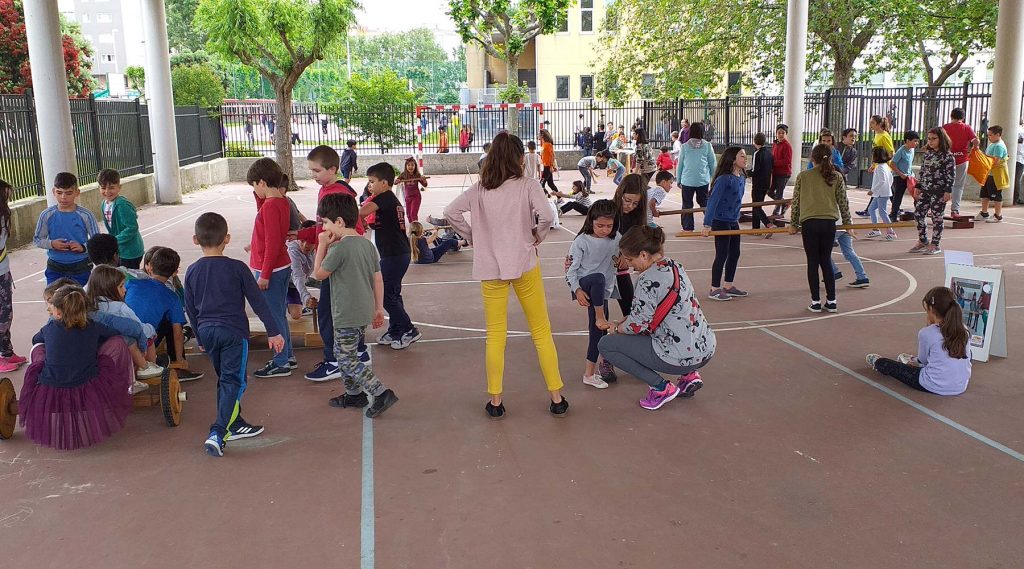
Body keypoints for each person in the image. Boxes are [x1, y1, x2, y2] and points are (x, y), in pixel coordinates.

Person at [444, 131, 568, 420]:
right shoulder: (527, 185)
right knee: (541, 331)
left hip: (491, 269)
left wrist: (473, 236)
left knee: (495, 335)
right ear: (518, 158)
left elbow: (451, 212)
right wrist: (537, 235)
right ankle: (556, 397)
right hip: (524, 263)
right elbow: (547, 217)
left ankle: (496, 400)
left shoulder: (479, 190)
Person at [185, 212, 285, 456]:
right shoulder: (238, 268)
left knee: (225, 379)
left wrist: (199, 337)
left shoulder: (191, 271)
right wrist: (274, 331)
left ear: (195, 240)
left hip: (207, 332)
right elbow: (259, 302)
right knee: (234, 381)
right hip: (233, 333)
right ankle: (218, 431)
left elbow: (190, 308)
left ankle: (236, 422)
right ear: (227, 238)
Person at [598, 226, 715, 410]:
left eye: (629, 259)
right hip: (705, 348)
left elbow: (637, 326)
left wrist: (615, 328)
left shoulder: (647, 280)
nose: (629, 264)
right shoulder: (675, 266)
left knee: (606, 345)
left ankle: (660, 387)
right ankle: (689, 376)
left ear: (643, 255)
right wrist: (630, 319)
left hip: (677, 356)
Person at [313, 193, 400, 418]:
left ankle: (380, 392)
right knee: (345, 352)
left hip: (346, 313)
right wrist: (379, 308)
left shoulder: (338, 249)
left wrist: (322, 244)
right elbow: (377, 279)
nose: (324, 227)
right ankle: (354, 394)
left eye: (326, 222)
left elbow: (318, 274)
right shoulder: (367, 245)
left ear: (339, 222)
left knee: (345, 357)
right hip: (362, 311)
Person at [18, 284, 134, 450]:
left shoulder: (49, 328)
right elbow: (113, 333)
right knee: (117, 343)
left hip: (51, 387)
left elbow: (36, 339)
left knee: (38, 349)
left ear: (57, 312)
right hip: (88, 384)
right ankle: (128, 385)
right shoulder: (93, 326)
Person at [298, 145, 367, 381]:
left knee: (329, 311)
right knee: (347, 308)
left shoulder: (333, 193)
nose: (313, 175)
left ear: (332, 169)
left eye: (316, 171)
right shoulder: (332, 189)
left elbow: (334, 230)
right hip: (340, 256)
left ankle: (334, 360)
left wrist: (310, 239)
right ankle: (359, 350)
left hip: (336, 259)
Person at [866, 287, 971, 396]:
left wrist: (914, 361)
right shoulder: (964, 329)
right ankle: (908, 360)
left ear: (931, 308)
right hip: (960, 386)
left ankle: (878, 362)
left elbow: (923, 361)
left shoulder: (927, 333)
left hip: (933, 385)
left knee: (891, 366)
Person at [359, 162, 420, 350]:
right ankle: (396, 329)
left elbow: (360, 212)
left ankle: (409, 329)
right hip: (394, 253)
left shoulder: (385, 197)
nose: (370, 185)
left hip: (395, 254)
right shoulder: (387, 200)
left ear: (384, 183)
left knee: (385, 294)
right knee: (392, 293)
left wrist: (343, 207)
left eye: (372, 181)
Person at [245, 158, 295, 379]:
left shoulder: (270, 207)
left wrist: (264, 274)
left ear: (262, 182)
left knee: (273, 317)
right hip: (278, 267)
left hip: (271, 271)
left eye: (255, 185)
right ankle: (287, 355)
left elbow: (274, 243)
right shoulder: (279, 201)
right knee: (278, 314)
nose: (255, 191)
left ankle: (281, 361)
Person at [789, 143, 853, 314]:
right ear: (831, 158)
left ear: (812, 158)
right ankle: (832, 301)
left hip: (809, 223)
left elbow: (796, 202)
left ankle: (815, 301)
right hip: (829, 223)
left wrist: (793, 224)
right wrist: (848, 223)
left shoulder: (803, 176)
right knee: (825, 260)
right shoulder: (837, 177)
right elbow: (843, 202)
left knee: (812, 261)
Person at [564, 199, 620, 389]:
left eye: (609, 226)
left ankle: (589, 374)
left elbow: (628, 255)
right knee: (597, 278)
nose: (604, 229)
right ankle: (599, 316)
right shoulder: (582, 241)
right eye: (599, 225)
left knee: (598, 332)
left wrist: (626, 261)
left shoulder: (616, 238)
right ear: (591, 221)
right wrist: (577, 289)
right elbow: (571, 270)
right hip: (586, 285)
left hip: (603, 291)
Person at [125, 246, 203, 381]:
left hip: (122, 337)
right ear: (174, 273)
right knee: (170, 323)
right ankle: (178, 369)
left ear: (150, 267)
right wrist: (180, 360)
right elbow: (177, 333)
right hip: (144, 344)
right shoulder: (172, 297)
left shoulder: (131, 283)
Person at [86, 265, 163, 384]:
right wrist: (151, 330)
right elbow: (137, 327)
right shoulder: (120, 308)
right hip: (124, 348)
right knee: (149, 332)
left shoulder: (88, 307)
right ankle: (147, 367)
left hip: (98, 347)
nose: (125, 289)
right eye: (121, 286)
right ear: (109, 288)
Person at [33, 172, 100, 285]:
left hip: (81, 267)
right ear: (54, 192)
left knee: (80, 300)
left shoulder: (86, 215)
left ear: (77, 193)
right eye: (59, 193)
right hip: (55, 267)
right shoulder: (46, 215)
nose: (63, 197)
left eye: (68, 193)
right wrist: (52, 244)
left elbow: (97, 241)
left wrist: (83, 247)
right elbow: (37, 239)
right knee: (54, 300)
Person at [703, 147, 748, 301]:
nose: (745, 158)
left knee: (735, 253)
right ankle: (714, 288)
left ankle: (728, 286)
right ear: (733, 159)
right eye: (742, 155)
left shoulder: (741, 177)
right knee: (722, 254)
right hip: (720, 220)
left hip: (733, 220)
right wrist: (707, 225)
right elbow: (712, 201)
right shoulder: (724, 179)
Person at [909, 128, 955, 256]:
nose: (930, 141)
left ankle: (935, 244)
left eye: (934, 139)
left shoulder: (947, 156)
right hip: (925, 189)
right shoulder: (928, 154)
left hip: (939, 191)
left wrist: (948, 190)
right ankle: (923, 240)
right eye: (929, 139)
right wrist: (918, 186)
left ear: (941, 139)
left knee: (936, 217)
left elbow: (951, 175)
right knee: (918, 214)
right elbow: (923, 171)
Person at [611, 174, 647, 318]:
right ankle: (598, 340)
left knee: (631, 311)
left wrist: (627, 256)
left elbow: (638, 241)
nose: (630, 206)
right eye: (627, 200)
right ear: (620, 192)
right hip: (599, 270)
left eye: (635, 203)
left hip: (620, 271)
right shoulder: (606, 209)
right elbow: (585, 234)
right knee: (599, 315)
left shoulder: (637, 217)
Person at [0, 179, 26, 373]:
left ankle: (6, 352)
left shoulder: (3, 214)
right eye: (6, 194)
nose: (9, 197)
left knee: (6, 314)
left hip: (3, 271)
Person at [97, 169, 145, 269]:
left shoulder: (122, 205)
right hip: (119, 250)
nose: (107, 191)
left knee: (128, 279)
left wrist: (114, 240)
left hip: (130, 252)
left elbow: (132, 228)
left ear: (119, 187)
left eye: (111, 188)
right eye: (103, 188)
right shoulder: (104, 203)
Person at [676, 122, 717, 231]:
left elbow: (680, 164)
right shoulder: (707, 145)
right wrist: (715, 178)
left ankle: (688, 227)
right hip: (702, 180)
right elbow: (712, 163)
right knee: (704, 202)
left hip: (687, 180)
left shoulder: (684, 146)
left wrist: (678, 179)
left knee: (687, 204)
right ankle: (711, 223)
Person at [942, 108, 976, 216]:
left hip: (946, 159)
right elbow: (976, 141)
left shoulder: (945, 127)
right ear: (963, 117)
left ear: (951, 116)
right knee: (958, 186)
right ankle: (955, 210)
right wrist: (975, 148)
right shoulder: (967, 128)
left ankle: (939, 208)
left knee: (942, 183)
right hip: (962, 159)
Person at [975, 125, 1009, 223]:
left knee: (996, 195)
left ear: (998, 135)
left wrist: (983, 158)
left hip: (996, 175)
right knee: (984, 194)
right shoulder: (992, 144)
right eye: (988, 135)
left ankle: (998, 216)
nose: (988, 137)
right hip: (988, 174)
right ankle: (984, 213)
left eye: (990, 135)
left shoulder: (999, 146)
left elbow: (996, 161)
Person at [865, 147, 896, 240]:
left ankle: (891, 233)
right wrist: (888, 187)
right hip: (882, 193)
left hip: (881, 193)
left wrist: (873, 190)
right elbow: (890, 179)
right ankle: (875, 229)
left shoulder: (880, 167)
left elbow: (882, 181)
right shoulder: (885, 166)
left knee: (882, 212)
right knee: (871, 209)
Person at [748, 132, 775, 235]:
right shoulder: (769, 153)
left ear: (755, 142)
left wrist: (747, 173)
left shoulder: (757, 153)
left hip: (758, 183)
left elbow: (755, 170)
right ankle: (756, 229)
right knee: (758, 204)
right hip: (766, 183)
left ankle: (768, 225)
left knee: (756, 206)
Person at [890, 131, 920, 221]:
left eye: (917, 141)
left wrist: (911, 174)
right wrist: (901, 174)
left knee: (916, 194)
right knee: (898, 196)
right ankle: (893, 215)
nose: (916, 143)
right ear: (907, 140)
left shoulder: (912, 150)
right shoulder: (901, 151)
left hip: (909, 177)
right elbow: (892, 164)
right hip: (899, 177)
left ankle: (919, 214)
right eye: (914, 141)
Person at [771, 124, 794, 217]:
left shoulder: (787, 146)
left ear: (786, 134)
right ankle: (784, 203)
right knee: (769, 191)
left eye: (783, 133)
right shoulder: (775, 144)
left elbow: (787, 161)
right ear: (776, 133)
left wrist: (774, 163)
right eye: (779, 132)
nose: (780, 135)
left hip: (784, 173)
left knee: (779, 192)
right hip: (775, 172)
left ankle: (776, 210)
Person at [396, 158, 428, 224]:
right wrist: (397, 181)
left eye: (412, 165)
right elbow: (395, 182)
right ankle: (412, 227)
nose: (410, 167)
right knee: (408, 215)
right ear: (406, 166)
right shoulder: (403, 175)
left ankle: (415, 229)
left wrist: (424, 180)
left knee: (413, 214)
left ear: (415, 166)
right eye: (408, 165)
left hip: (416, 197)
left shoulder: (417, 174)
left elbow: (424, 185)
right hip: (407, 197)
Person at [539, 129, 558, 195]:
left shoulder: (548, 144)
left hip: (548, 167)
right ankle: (559, 198)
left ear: (542, 136)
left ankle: (546, 195)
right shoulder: (544, 144)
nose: (538, 136)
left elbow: (552, 155)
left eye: (539, 134)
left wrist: (551, 166)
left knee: (541, 184)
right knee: (550, 183)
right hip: (545, 166)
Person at [1015, 122, 1024, 205]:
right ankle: (1015, 199)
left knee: (1015, 180)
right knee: (1017, 180)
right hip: (1020, 159)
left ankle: (1015, 199)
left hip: (1016, 158)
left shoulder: (1017, 130)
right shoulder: (1020, 130)